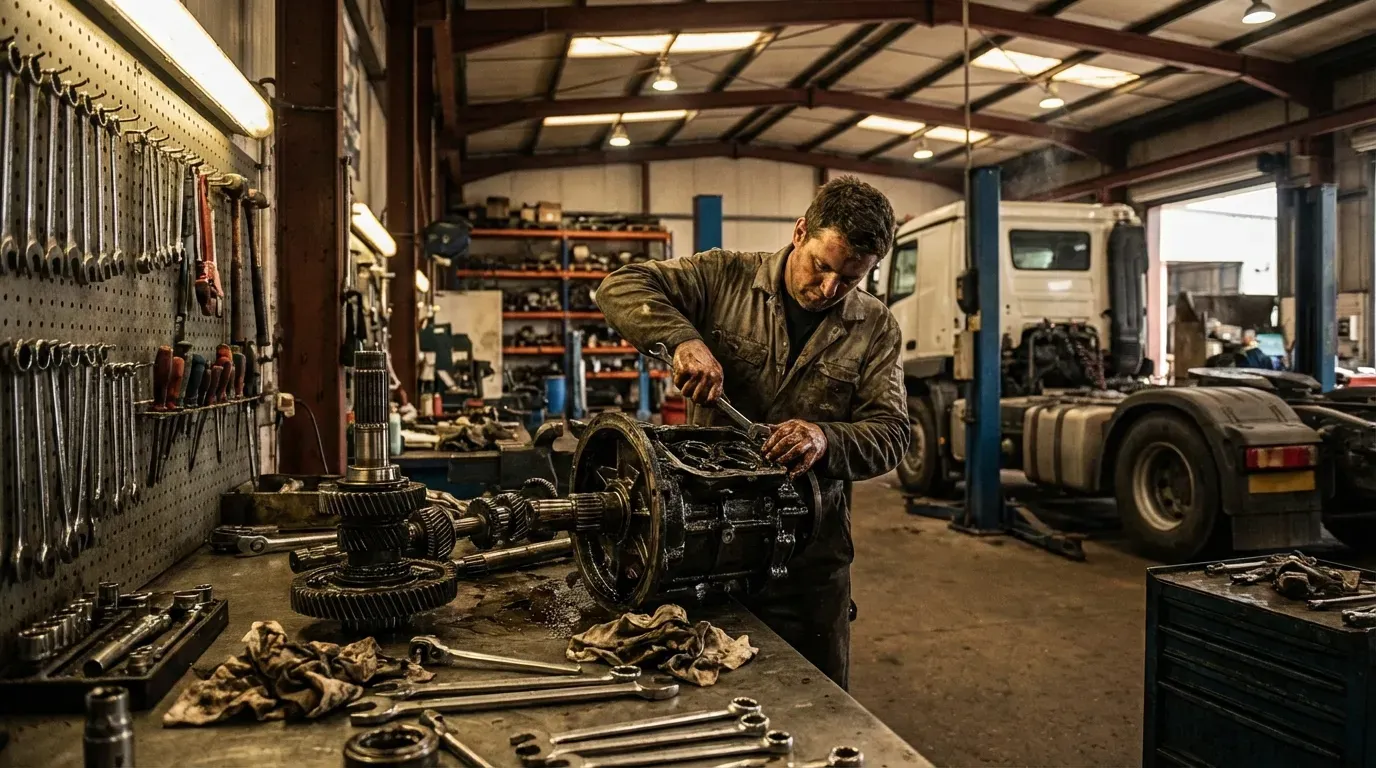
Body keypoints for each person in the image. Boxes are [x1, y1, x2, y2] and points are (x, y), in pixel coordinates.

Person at [596, 176, 910, 688]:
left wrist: (825, 438)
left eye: (850, 279)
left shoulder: (876, 327)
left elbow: (892, 433)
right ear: (800, 231)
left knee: (821, 708)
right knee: (705, 699)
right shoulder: (724, 276)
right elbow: (620, 286)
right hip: (705, 545)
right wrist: (681, 340)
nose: (828, 289)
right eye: (822, 266)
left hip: (808, 559)